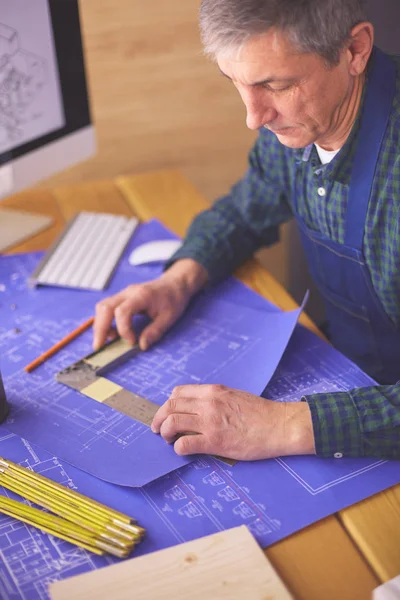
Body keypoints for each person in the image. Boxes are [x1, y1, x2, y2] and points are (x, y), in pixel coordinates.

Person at [93, 0, 400, 462]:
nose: (254, 117)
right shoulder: (299, 122)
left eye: (275, 85)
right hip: (348, 367)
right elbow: (247, 207)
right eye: (236, 83)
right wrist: (179, 280)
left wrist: (283, 424)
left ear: (355, 49)